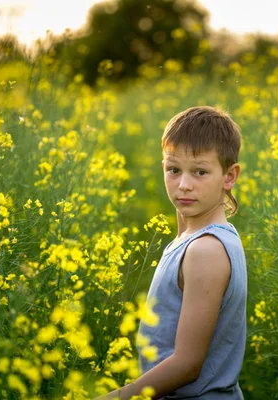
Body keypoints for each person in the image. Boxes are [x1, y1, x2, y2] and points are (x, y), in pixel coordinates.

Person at [96, 106, 247, 400]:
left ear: (229, 176)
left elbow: (187, 365)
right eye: (173, 170)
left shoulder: (206, 250)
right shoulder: (190, 239)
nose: (184, 185)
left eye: (200, 172)